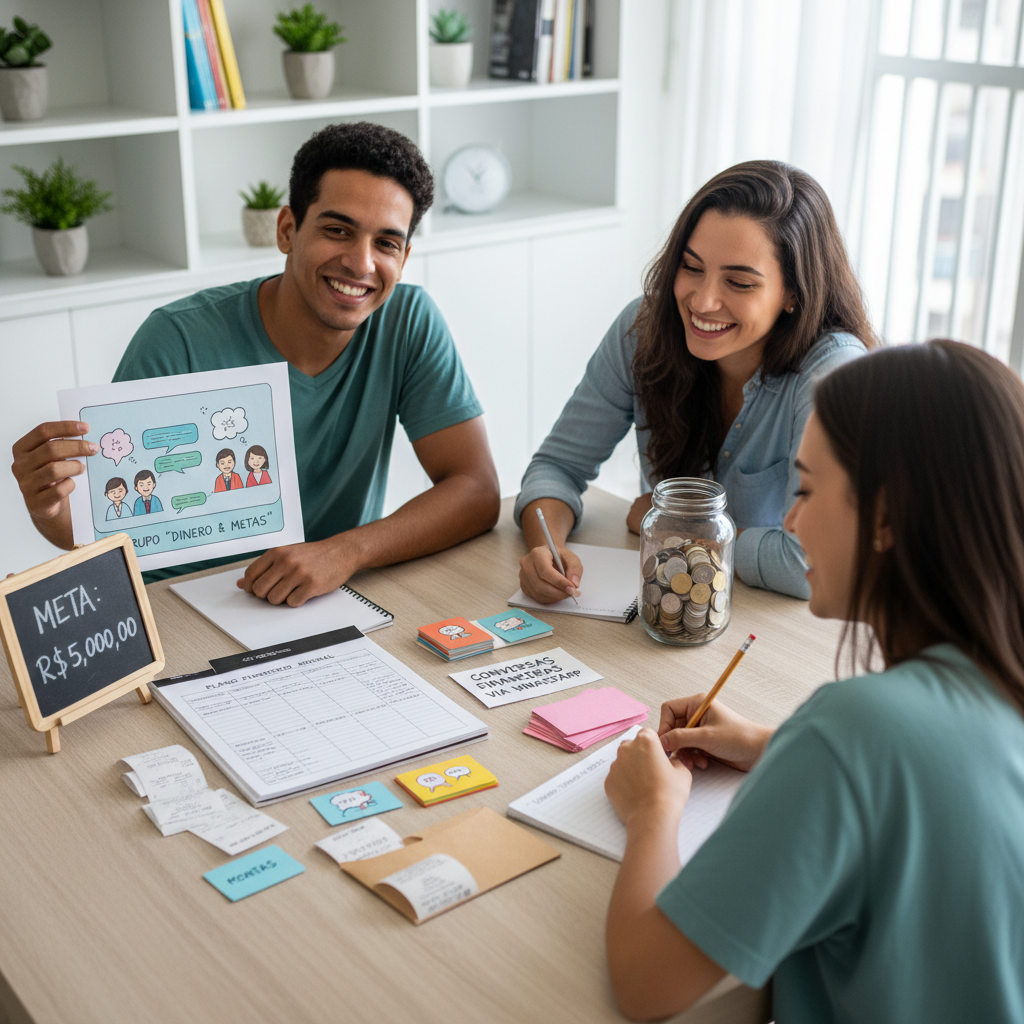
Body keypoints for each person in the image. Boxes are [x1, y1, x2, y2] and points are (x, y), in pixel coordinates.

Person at [603, 340, 1024, 1022]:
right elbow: (938, 785)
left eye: (804, 489)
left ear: (886, 516)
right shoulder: (999, 681)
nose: (791, 521)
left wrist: (653, 810)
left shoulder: (854, 733)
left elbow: (647, 982)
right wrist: (779, 745)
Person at [11, 121, 500, 606]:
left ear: (405, 255)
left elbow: (476, 491)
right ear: (287, 230)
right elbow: (103, 529)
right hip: (181, 601)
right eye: (337, 230)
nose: (361, 263)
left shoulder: (409, 321)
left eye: (386, 244)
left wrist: (346, 552)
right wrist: (52, 507)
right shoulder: (177, 337)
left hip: (327, 596)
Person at [516, 161, 876, 603]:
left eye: (740, 283)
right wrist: (545, 546)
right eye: (691, 267)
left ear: (794, 293)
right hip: (673, 605)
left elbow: (812, 563)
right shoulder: (642, 330)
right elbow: (556, 468)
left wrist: (675, 528)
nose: (703, 301)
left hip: (774, 626)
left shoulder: (833, 374)